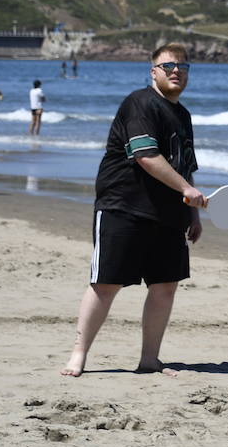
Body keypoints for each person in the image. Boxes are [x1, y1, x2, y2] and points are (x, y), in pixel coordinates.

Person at [60, 44, 204, 378]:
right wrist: (186, 190)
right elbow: (145, 155)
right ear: (153, 71)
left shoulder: (183, 115)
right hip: (123, 205)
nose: (176, 71)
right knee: (106, 283)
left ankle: (150, 359)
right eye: (167, 65)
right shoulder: (139, 102)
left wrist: (193, 213)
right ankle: (78, 356)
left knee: (166, 284)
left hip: (169, 214)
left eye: (182, 66)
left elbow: (185, 166)